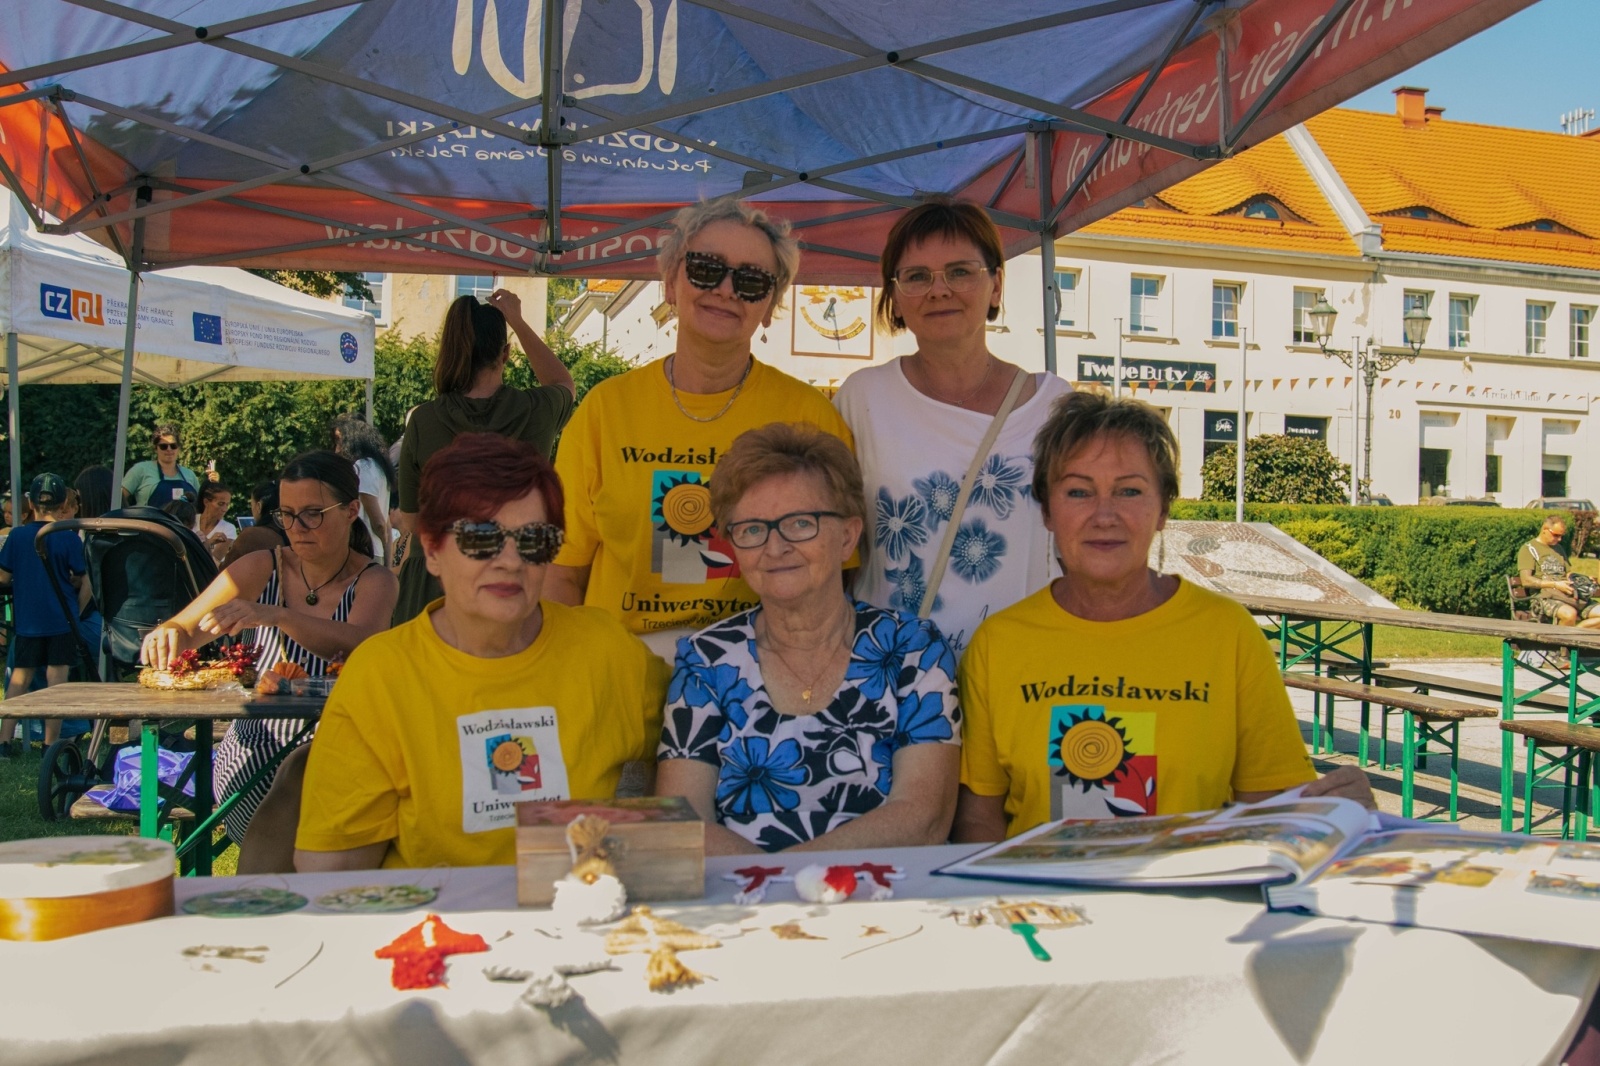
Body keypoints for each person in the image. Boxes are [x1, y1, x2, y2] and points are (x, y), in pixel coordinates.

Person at [954, 392, 1373, 842]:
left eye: (1129, 491)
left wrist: (1336, 809)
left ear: (1164, 509)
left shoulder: (1226, 634)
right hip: (1046, 906)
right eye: (1078, 491)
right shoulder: (999, 644)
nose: (1104, 515)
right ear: (1047, 510)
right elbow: (978, 820)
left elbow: (1270, 808)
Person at [295, 433, 669, 871]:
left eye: (534, 540)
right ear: (432, 550)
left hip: (578, 921)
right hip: (436, 928)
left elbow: (705, 747)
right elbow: (333, 873)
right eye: (480, 537)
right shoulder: (380, 677)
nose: (510, 561)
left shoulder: (606, 652)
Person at [548, 197, 855, 658]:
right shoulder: (604, 411)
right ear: (670, 282)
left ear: (770, 306)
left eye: (752, 280)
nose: (727, 289)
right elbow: (562, 572)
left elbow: (837, 577)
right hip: (622, 676)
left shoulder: (811, 417)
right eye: (706, 268)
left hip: (758, 686)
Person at [656, 423, 960, 854]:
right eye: (752, 529)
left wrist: (794, 878)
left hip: (886, 907)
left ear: (847, 537)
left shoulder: (914, 649)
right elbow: (684, 823)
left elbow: (924, 818)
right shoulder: (706, 660)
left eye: (801, 523)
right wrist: (779, 896)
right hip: (746, 910)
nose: (775, 547)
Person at [835, 198, 1072, 659]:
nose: (938, 289)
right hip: (891, 675)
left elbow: (1076, 550)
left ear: (996, 285)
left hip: (1018, 670)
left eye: (961, 272)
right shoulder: (863, 398)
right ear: (896, 296)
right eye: (917, 276)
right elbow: (839, 547)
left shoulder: (1053, 405)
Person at [141, 451, 398, 846]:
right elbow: (188, 628)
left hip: (341, 745)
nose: (297, 527)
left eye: (313, 513)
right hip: (257, 747)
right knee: (296, 815)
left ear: (350, 511)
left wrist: (276, 616)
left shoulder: (375, 580)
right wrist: (169, 632)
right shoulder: (261, 566)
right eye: (287, 514)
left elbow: (359, 641)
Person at [393, 289, 575, 624]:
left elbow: (413, 521)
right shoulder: (536, 411)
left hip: (434, 582)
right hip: (510, 577)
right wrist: (517, 320)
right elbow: (564, 382)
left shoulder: (425, 420)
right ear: (505, 354)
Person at [0, 474, 86, 751]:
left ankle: (4, 740)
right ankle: (51, 744)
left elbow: (3, 576)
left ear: (31, 503)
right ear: (63, 503)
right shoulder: (69, 537)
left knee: (19, 679)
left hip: (28, 620)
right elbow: (83, 577)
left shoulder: (17, 535)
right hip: (62, 619)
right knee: (56, 681)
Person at [332, 414, 395, 566]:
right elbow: (386, 523)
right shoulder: (378, 466)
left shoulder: (363, 469)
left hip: (363, 552)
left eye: (340, 441)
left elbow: (379, 523)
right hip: (374, 552)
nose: (337, 449)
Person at [1520, 514, 1600, 628]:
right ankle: (1564, 644)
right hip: (1544, 597)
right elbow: (1526, 581)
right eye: (1556, 535)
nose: (1559, 539)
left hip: (1569, 595)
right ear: (1545, 529)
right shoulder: (1528, 549)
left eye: (1561, 536)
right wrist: (1556, 585)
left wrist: (1584, 580)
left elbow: (1568, 574)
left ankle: (1575, 636)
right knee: (1569, 614)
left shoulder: (1559, 548)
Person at [121, 424, 200, 507]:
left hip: (183, 520)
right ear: (155, 448)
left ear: (179, 448)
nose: (169, 449)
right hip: (148, 519)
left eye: (173, 446)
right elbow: (118, 498)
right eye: (163, 446)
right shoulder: (140, 470)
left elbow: (200, 505)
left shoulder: (189, 475)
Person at [221, 481, 290, 568]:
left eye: (251, 505)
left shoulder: (251, 535)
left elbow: (226, 571)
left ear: (259, 506)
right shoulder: (290, 531)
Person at [197, 481, 236, 563]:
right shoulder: (190, 521)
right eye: (221, 504)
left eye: (227, 504)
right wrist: (209, 542)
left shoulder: (228, 528)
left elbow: (214, 562)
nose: (225, 509)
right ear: (206, 502)